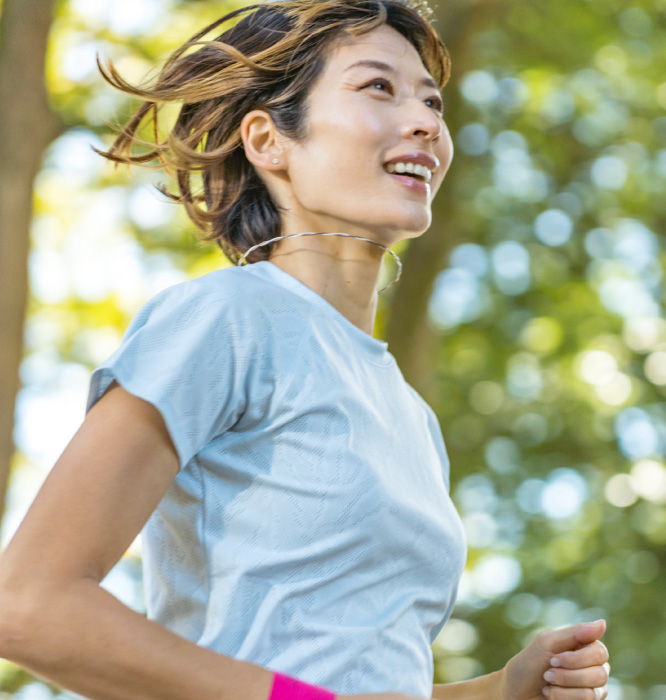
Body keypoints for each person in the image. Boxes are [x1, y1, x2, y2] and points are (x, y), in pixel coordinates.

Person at [0, 1, 611, 699]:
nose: (426, 122)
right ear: (268, 141)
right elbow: (29, 606)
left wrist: (498, 691)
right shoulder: (228, 319)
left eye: (431, 100)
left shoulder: (407, 412)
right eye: (378, 87)